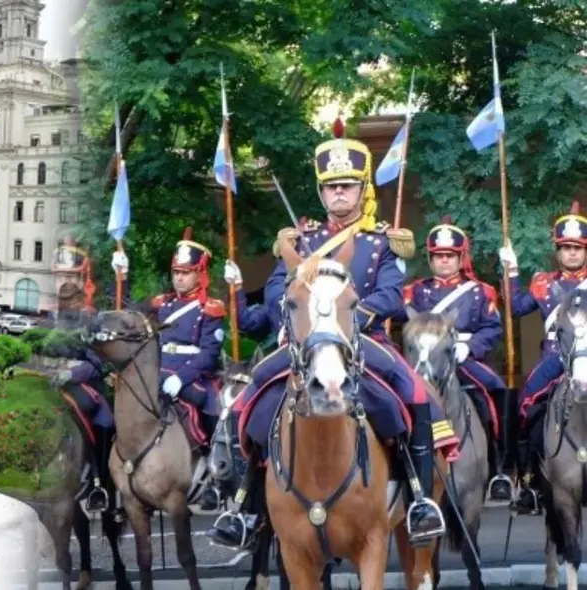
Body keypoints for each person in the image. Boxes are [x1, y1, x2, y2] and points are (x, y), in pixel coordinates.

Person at [208, 119, 457, 550]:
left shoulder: (381, 241)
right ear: (322, 193)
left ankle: (419, 500)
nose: (339, 193)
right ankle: (245, 506)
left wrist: (348, 319)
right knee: (248, 398)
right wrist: (299, 315)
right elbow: (276, 289)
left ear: (362, 189)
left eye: (347, 186)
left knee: (417, 395)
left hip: (363, 340)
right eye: (331, 187)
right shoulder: (300, 241)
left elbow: (391, 295)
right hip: (306, 344)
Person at [110, 227, 227, 510]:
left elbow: (209, 354)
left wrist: (180, 378)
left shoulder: (210, 309)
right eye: (176, 272)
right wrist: (122, 277)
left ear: (200, 274)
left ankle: (216, 475)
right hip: (157, 372)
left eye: (186, 272)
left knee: (214, 409)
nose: (179, 277)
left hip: (191, 375)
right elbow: (129, 313)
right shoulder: (162, 304)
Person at [401, 217, 512, 501]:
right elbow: (401, 322)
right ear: (430, 259)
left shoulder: (479, 291)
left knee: (496, 390)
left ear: (460, 258)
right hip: (426, 358)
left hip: (463, 357)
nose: (444, 261)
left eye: (450, 255)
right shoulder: (415, 292)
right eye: (438, 255)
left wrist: (470, 347)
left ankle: (500, 466)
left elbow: (493, 328)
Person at [499, 201, 587, 514]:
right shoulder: (544, 283)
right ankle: (530, 479)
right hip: (555, 357)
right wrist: (511, 272)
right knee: (527, 403)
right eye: (566, 248)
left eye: (578, 248)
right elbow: (516, 308)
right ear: (558, 251)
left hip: (586, 355)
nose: (572, 254)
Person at [51, 237, 114, 512]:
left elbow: (97, 361)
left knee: (104, 423)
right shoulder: (50, 312)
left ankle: (98, 481)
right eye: (60, 275)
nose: (64, 282)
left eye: (70, 276)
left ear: (81, 279)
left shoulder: (91, 316)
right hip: (49, 379)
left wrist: (71, 373)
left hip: (83, 382)